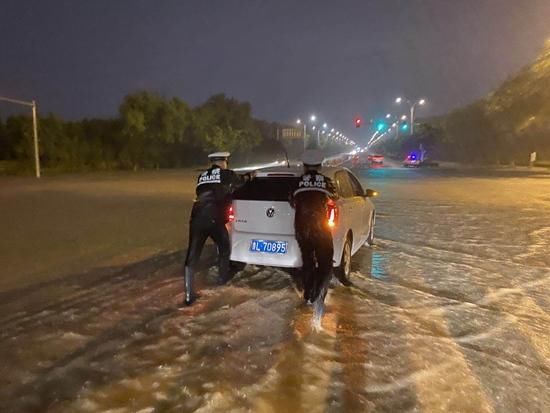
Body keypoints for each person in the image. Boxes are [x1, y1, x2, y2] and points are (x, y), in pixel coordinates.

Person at [181, 152, 249, 306]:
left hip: (196, 219)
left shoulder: (202, 176)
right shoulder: (227, 174)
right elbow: (242, 183)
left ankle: (188, 296)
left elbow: (202, 193)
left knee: (192, 257)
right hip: (214, 219)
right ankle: (221, 284)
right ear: (224, 162)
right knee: (224, 248)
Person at [291, 149, 337, 305]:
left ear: (304, 166)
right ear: (320, 166)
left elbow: (291, 202)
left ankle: (308, 294)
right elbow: (335, 197)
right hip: (321, 228)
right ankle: (319, 294)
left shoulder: (296, 182)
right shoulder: (326, 181)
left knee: (308, 261)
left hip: (301, 228)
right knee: (326, 261)